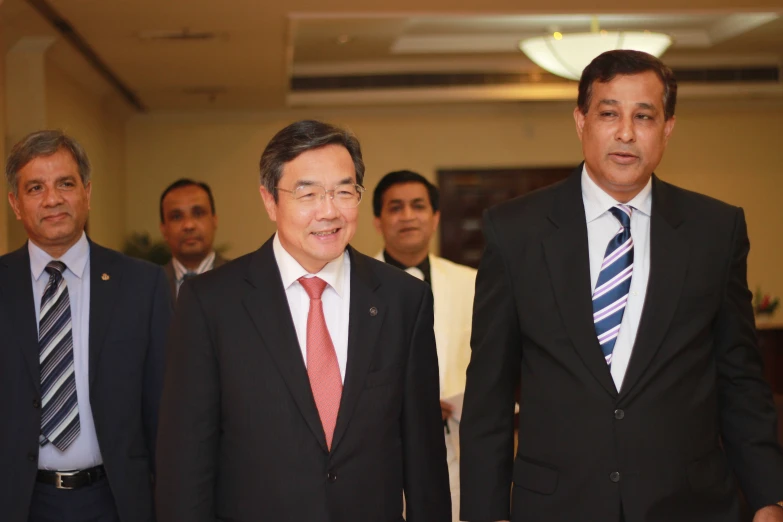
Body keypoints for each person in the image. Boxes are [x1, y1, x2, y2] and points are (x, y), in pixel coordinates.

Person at [459, 50, 783, 522]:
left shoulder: (716, 230)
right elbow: (489, 391)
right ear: (580, 121)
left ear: (667, 128)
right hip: (556, 506)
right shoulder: (515, 232)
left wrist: (768, 498)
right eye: (609, 113)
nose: (626, 133)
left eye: (644, 116)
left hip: (690, 504)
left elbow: (740, 379)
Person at [156, 119, 451, 522]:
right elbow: (186, 459)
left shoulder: (403, 299)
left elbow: (424, 457)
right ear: (269, 200)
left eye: (344, 191)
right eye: (307, 192)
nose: (328, 211)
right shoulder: (211, 302)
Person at [0, 130, 172, 522]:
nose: (53, 199)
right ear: (15, 203)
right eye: (35, 188)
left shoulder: (142, 285)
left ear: (87, 192)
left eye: (65, 184)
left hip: (116, 501)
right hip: (18, 502)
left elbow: (164, 411)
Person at [373, 169, 476, 522]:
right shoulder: (353, 286)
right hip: (379, 447)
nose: (407, 216)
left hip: (457, 444)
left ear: (435, 218)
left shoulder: (472, 282)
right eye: (395, 207)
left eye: (418, 206)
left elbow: (496, 363)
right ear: (377, 221)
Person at [159, 178, 228, 303]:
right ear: (163, 229)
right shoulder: (148, 288)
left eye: (198, 213)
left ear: (214, 220)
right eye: (176, 216)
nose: (188, 225)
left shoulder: (243, 280)